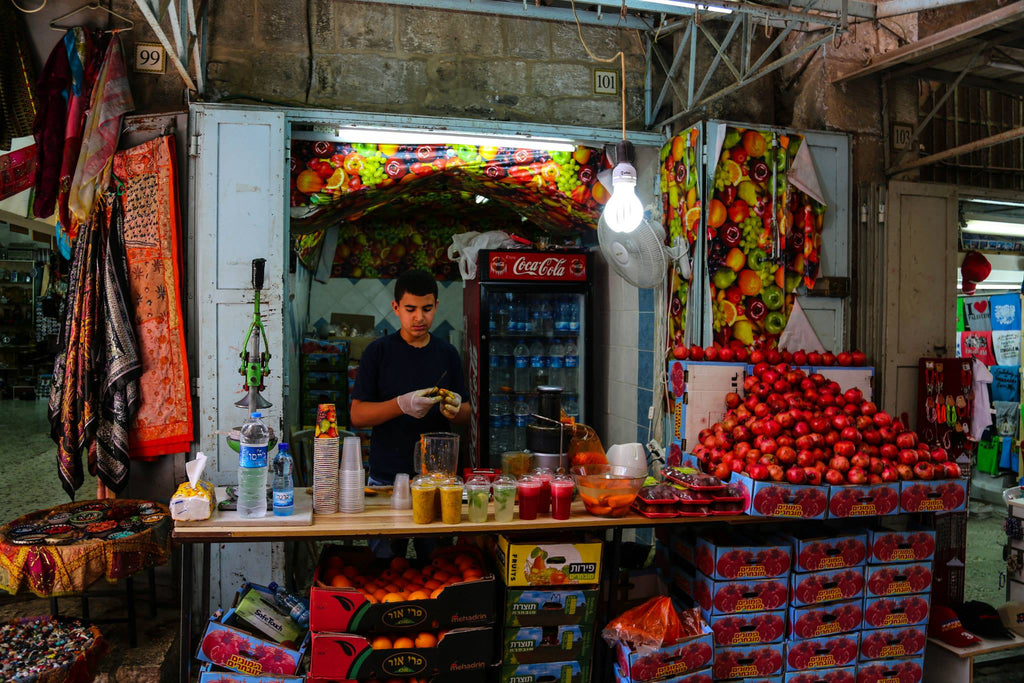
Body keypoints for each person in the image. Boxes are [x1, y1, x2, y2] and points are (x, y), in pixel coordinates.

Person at [350, 269, 469, 488]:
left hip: (439, 477)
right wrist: (401, 405)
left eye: (427, 309)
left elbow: (466, 414)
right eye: (410, 309)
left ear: (436, 306)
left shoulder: (447, 353)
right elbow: (357, 415)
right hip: (387, 477)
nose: (419, 318)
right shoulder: (377, 352)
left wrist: (454, 409)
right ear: (396, 308)